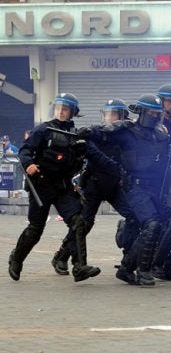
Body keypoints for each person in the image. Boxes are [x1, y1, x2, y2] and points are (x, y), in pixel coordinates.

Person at [9, 93, 103, 282]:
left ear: (72, 112)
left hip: (62, 188)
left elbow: (78, 162)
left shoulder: (75, 135)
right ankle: (16, 259)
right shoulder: (43, 130)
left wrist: (82, 147)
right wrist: (28, 164)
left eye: (65, 108)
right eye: (59, 107)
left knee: (78, 222)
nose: (61, 111)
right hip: (41, 185)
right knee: (36, 229)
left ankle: (79, 267)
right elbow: (25, 150)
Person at [51, 99, 137, 276]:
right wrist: (83, 134)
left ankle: (128, 257)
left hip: (114, 186)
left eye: (114, 114)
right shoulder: (97, 133)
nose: (109, 118)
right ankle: (61, 256)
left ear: (122, 116)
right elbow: (89, 146)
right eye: (107, 114)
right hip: (94, 185)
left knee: (133, 216)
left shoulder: (126, 135)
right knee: (84, 224)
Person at [113, 94, 171, 286]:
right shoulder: (127, 131)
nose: (156, 117)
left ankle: (126, 269)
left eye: (158, 113)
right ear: (142, 112)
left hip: (155, 187)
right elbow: (100, 137)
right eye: (152, 113)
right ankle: (143, 270)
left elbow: (167, 160)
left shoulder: (161, 135)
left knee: (158, 225)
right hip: (135, 186)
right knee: (152, 224)